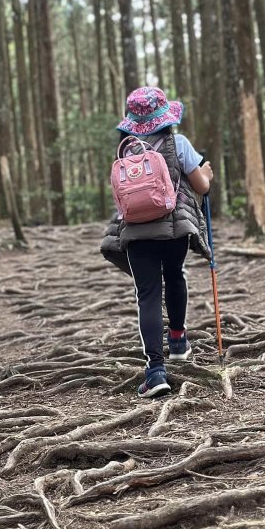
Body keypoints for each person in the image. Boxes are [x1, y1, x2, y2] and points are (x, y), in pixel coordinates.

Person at [101, 86, 213, 399]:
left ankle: (155, 371)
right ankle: (178, 340)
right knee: (175, 275)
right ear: (165, 117)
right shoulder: (179, 143)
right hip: (174, 228)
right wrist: (207, 174)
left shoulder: (126, 150)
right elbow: (201, 187)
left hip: (136, 231)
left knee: (148, 294)